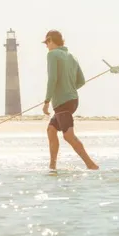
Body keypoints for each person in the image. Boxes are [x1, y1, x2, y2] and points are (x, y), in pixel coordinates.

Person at [42, 30, 99, 170]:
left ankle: (91, 165)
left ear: (50, 40)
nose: (46, 46)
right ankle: (52, 166)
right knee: (51, 130)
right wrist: (68, 88)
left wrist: (46, 101)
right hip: (73, 101)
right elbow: (81, 81)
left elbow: (52, 79)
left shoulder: (52, 54)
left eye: (46, 42)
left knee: (68, 136)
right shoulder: (72, 56)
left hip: (62, 102)